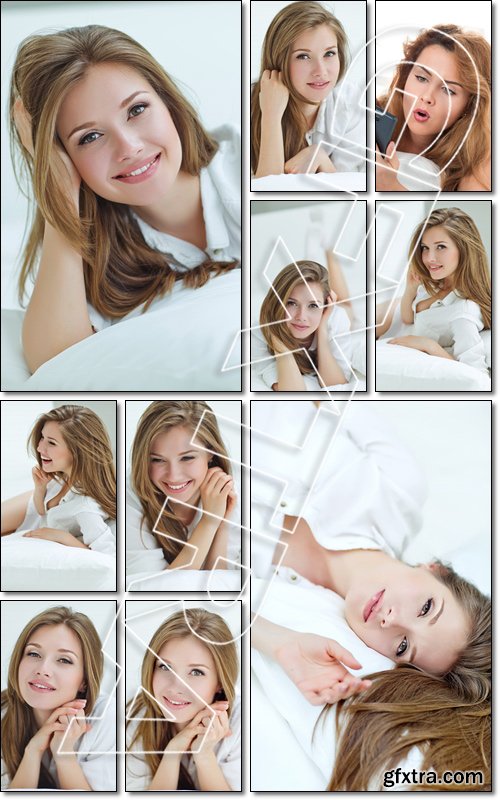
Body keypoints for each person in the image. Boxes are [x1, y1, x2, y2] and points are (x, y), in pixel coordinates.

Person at [250, 401, 491, 790]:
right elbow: (334, 389)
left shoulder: (287, 603)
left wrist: (277, 641)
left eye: (401, 646)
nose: (391, 619)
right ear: (435, 569)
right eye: (427, 607)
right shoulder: (399, 490)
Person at [10, 24, 240, 373]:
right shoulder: (96, 249)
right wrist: (57, 192)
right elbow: (55, 364)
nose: (129, 147)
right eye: (90, 137)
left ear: (168, 101)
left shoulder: (250, 172)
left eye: (136, 110)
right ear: (63, 156)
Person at [1, 605, 116, 790]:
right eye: (33, 653)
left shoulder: (106, 717)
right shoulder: (3, 711)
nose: (43, 669)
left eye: (64, 660)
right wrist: (33, 752)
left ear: (84, 681)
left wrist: (64, 753)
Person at [126, 608, 241, 790]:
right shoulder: (136, 716)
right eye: (165, 667)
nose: (175, 688)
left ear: (220, 681)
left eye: (196, 672)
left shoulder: (242, 724)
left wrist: (203, 754)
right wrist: (172, 753)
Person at [126, 401, 240, 579]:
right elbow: (155, 589)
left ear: (211, 453)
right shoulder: (128, 498)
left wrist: (221, 525)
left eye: (187, 458)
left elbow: (219, 586)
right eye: (157, 460)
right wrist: (209, 522)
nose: (173, 476)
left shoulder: (233, 492)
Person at [251, 1, 365, 177]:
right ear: (279, 61)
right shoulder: (249, 106)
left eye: (329, 54)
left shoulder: (351, 102)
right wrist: (271, 116)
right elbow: (264, 191)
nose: (321, 71)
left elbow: (350, 194)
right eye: (303, 56)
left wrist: (320, 158)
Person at [376, 25, 491, 191]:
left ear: (471, 105)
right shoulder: (372, 116)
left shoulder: (479, 158)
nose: (427, 97)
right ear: (405, 76)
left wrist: (390, 186)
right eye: (421, 78)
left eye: (448, 90)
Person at [376, 207, 491, 373]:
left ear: (464, 250)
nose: (429, 258)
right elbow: (408, 318)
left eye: (441, 247)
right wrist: (410, 289)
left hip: (393, 334)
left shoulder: (463, 312)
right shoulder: (437, 282)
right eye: (425, 248)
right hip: (394, 323)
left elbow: (475, 373)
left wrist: (429, 346)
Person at [1, 405, 116, 553]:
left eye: (51, 443)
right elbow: (42, 512)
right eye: (42, 437)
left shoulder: (85, 508)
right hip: (35, 515)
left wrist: (64, 538)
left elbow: (108, 554)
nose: (40, 448)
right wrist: (40, 489)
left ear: (77, 451)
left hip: (40, 529)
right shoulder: (63, 476)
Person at [252, 256, 356, 391]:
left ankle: (330, 252)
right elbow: (292, 392)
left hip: (350, 318)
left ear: (325, 307)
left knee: (347, 306)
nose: (301, 317)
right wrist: (276, 338)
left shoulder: (336, 319)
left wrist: (322, 329)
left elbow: (336, 385)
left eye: (313, 305)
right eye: (291, 303)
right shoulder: (259, 332)